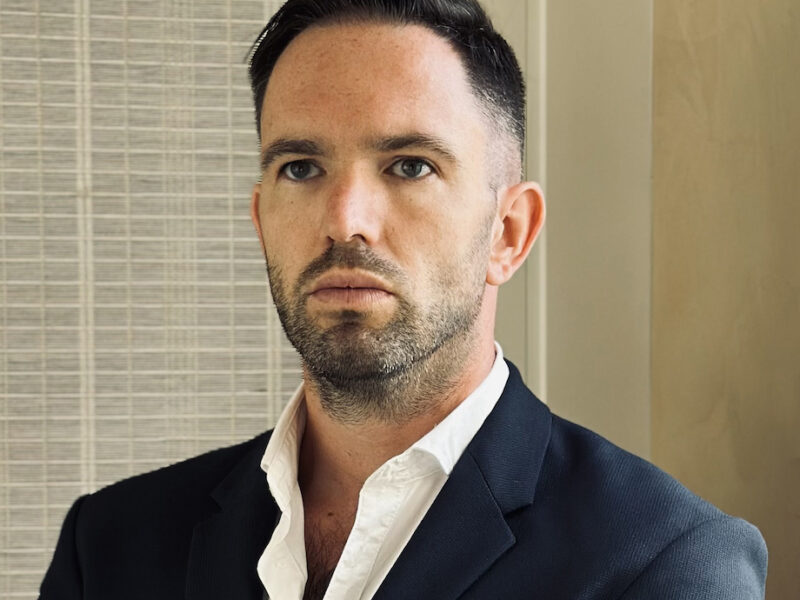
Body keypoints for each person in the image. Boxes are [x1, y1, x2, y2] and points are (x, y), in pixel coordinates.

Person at [39, 1, 767, 599]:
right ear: (262, 221)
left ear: (508, 233)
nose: (346, 217)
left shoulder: (665, 565)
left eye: (409, 165)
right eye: (301, 167)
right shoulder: (107, 551)